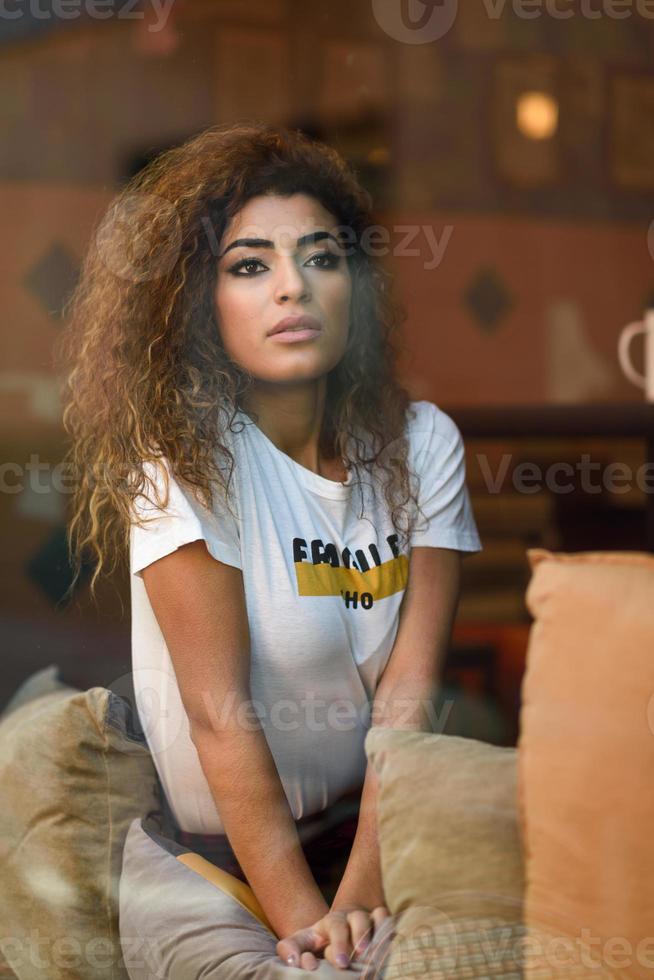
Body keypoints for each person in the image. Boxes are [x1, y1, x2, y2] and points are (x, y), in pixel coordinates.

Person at [55, 121, 482, 974]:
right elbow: (219, 714)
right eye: (250, 265)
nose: (294, 287)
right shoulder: (183, 458)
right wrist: (310, 930)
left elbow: (409, 695)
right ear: (199, 304)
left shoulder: (424, 442)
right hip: (215, 859)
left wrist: (357, 900)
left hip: (381, 835)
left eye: (321, 257)